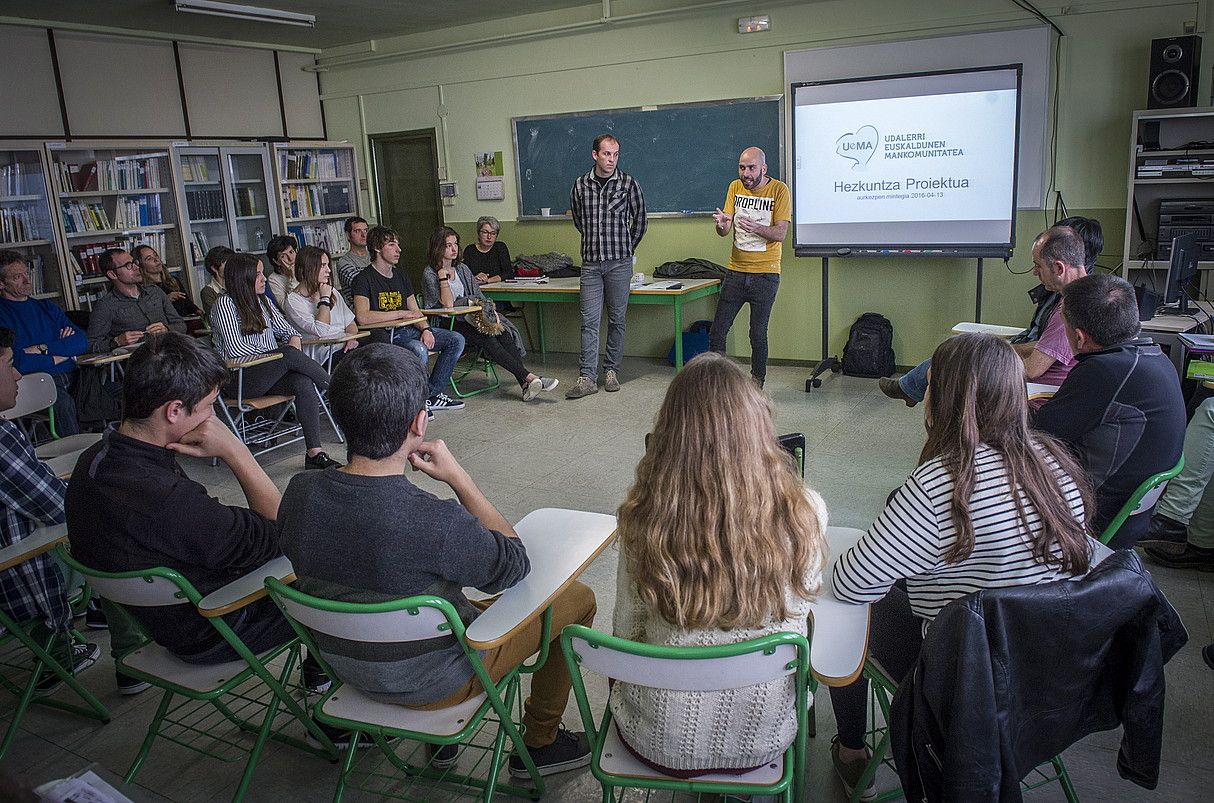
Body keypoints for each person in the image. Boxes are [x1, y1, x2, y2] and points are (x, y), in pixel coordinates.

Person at [277, 342, 594, 778]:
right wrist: (460, 479)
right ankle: (540, 743)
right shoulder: (434, 519)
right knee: (576, 597)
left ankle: (387, 731)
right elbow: (513, 564)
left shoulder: (299, 494)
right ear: (419, 423)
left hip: (348, 667)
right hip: (437, 682)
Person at [827, 332, 1093, 801]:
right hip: (1047, 670)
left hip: (964, 678)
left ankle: (851, 751)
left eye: (930, 385)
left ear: (948, 399)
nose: (924, 395)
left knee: (848, 611)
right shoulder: (1056, 463)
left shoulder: (940, 484)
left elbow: (851, 582)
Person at [64, 332, 327, 691]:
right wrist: (236, 451)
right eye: (209, 406)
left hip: (162, 617)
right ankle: (328, 704)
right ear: (174, 410)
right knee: (341, 567)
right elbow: (280, 530)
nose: (213, 418)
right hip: (214, 626)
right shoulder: (160, 497)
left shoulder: (95, 460)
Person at [612, 351, 827, 775]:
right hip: (764, 734)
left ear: (669, 433)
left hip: (656, 737)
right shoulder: (806, 511)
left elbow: (627, 632)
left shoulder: (641, 518)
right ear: (760, 429)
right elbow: (800, 617)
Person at [881, 218, 1103, 407]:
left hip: (1038, 394)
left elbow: (1033, 369)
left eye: (1038, 266)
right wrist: (1001, 348)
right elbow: (1046, 348)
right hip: (1044, 385)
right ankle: (913, 393)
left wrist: (988, 360)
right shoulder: (1081, 296)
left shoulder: (1070, 307)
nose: (1035, 272)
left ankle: (943, 434)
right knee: (957, 354)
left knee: (947, 367)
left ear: (1059, 268)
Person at [1034, 274, 1185, 548]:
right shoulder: (1156, 358)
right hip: (1129, 514)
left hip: (1093, 515)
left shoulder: (1104, 371)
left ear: (1079, 337)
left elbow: (1037, 431)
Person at [0, 326, 99, 691]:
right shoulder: (0, 437)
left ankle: (102, 609)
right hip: (18, 581)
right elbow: (57, 508)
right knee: (107, 519)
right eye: (9, 364)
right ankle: (113, 648)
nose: (18, 374)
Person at [209, 252, 340, 470]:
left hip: (268, 373)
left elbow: (288, 330)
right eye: (258, 274)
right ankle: (337, 391)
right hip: (240, 378)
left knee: (301, 381)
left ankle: (314, 454)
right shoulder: (224, 304)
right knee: (288, 355)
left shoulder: (263, 302)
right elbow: (237, 349)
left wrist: (293, 340)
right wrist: (282, 355)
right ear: (243, 278)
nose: (263, 279)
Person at [421, 227, 557, 402]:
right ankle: (530, 378)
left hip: (471, 318)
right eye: (448, 245)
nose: (454, 249)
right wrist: (442, 277)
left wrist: (492, 312)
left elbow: (479, 296)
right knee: (487, 337)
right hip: (448, 324)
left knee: (503, 331)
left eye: (455, 244)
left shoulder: (461, 268)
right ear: (438, 248)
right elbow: (446, 306)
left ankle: (525, 382)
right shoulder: (430, 273)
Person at [350, 225, 465, 413]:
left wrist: (426, 329)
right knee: (418, 349)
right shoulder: (363, 279)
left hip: (408, 329)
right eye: (392, 245)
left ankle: (431, 395)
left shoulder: (401, 276)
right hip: (386, 335)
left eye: (398, 245)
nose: (399, 250)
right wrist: (400, 314)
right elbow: (363, 317)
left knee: (456, 340)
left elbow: (414, 310)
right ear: (378, 248)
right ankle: (417, 402)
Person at [566, 134, 647, 399]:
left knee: (617, 319)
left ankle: (611, 371)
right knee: (589, 321)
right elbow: (580, 222)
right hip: (590, 264)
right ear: (595, 155)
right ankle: (587, 377)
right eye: (606, 154)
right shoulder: (580, 186)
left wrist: (625, 248)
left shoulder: (628, 183)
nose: (611, 159)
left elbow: (640, 221)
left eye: (615, 154)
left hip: (619, 264)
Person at [709, 147, 791, 386]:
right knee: (718, 331)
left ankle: (757, 383)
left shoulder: (779, 190)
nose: (746, 173)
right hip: (735, 271)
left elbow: (781, 233)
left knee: (757, 334)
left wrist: (756, 228)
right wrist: (722, 224)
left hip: (766, 274)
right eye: (742, 167)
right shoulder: (735, 187)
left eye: (751, 168)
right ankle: (717, 383)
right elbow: (724, 231)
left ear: (763, 169)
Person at [0, 250, 85, 436]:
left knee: (118, 391)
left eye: (26, 273)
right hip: (35, 382)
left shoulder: (46, 306)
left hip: (75, 376)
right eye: (17, 277)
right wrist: (64, 353)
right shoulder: (2, 316)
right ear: (1, 283)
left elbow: (80, 341)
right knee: (62, 403)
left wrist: (42, 349)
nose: (27, 280)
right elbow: (18, 362)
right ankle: (77, 458)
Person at [86, 249, 186, 353]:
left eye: (134, 262)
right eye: (128, 265)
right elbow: (90, 345)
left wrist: (167, 329)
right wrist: (117, 342)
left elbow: (181, 325)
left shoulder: (155, 291)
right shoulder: (106, 306)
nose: (136, 267)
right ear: (112, 274)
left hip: (172, 353)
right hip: (139, 363)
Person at [284, 245, 360, 367]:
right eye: (323, 266)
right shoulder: (293, 301)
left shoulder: (332, 291)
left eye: (328, 265)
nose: (329, 270)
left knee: (378, 339)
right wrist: (324, 299)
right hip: (325, 354)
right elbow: (322, 331)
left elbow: (350, 323)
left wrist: (351, 339)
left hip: (345, 346)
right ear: (309, 268)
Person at [134, 244, 199, 318]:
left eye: (155, 255)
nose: (156, 260)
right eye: (149, 259)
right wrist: (166, 299)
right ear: (140, 265)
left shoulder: (173, 280)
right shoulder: (143, 288)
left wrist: (198, 311)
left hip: (184, 322)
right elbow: (148, 312)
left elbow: (187, 302)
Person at [463, 216, 513, 286]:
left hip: (498, 288)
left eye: (493, 233)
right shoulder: (470, 250)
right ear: (478, 233)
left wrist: (487, 280)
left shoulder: (500, 247)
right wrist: (475, 278)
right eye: (485, 232)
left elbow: (509, 273)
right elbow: (465, 276)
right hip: (476, 289)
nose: (489, 237)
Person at [334, 216, 370, 308]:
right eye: (358, 231)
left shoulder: (377, 256)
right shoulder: (344, 262)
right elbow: (362, 285)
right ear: (348, 235)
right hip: (359, 312)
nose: (364, 235)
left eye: (366, 230)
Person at [199, 245, 236, 321]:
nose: (232, 267)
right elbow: (219, 316)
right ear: (214, 268)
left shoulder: (237, 284)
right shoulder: (208, 292)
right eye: (227, 264)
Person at [264, 235, 299, 308]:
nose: (290, 258)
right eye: (283, 256)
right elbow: (286, 308)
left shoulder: (306, 268)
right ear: (276, 261)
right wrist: (292, 277)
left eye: (291, 252)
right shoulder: (273, 279)